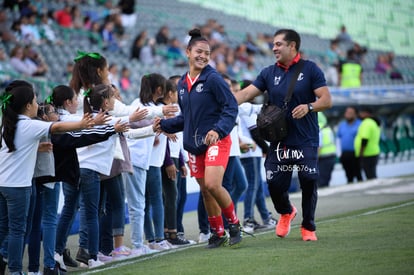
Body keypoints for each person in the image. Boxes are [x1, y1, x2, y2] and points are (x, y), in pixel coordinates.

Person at [234, 29, 332, 241]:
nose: (274, 48)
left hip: (305, 138)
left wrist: (309, 107)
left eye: (278, 44)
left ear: (292, 46)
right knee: (275, 185)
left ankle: (308, 227)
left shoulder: (311, 69)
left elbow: (326, 100)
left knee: (308, 179)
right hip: (279, 141)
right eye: (273, 44)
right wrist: (221, 102)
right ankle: (286, 212)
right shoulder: (268, 73)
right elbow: (245, 94)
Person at [155, 29, 243, 249]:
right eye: (199, 52)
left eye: (207, 53)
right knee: (205, 191)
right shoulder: (182, 85)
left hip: (216, 140)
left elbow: (231, 107)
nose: (203, 56)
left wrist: (219, 130)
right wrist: (164, 125)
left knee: (213, 185)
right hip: (195, 146)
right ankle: (218, 233)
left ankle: (234, 224)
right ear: (187, 52)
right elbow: (187, 118)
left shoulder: (213, 79)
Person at [0, 80, 94, 275]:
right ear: (27, 106)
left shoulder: (7, 124)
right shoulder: (29, 124)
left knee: (4, 229)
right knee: (18, 230)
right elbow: (57, 128)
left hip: (3, 184)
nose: (38, 105)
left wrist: (36, 147)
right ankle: (16, 271)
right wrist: (82, 124)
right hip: (18, 186)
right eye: (35, 101)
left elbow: (13, 150)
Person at [337, 106, 362, 183]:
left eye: (350, 113)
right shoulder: (342, 125)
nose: (347, 114)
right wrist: (339, 154)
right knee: (348, 176)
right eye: (346, 112)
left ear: (355, 114)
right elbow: (338, 139)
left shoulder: (360, 124)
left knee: (358, 175)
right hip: (345, 154)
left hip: (356, 154)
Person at [354, 107, 381, 180]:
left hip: (368, 153)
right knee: (371, 174)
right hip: (373, 152)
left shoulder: (367, 123)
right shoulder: (373, 122)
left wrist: (361, 152)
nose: (360, 114)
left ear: (366, 113)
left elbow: (365, 139)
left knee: (370, 175)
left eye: (361, 112)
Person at [317, 112, 337, 187]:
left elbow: (319, 146)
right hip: (331, 157)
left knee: (321, 182)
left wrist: (314, 160)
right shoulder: (327, 128)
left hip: (323, 159)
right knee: (325, 181)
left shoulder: (318, 128)